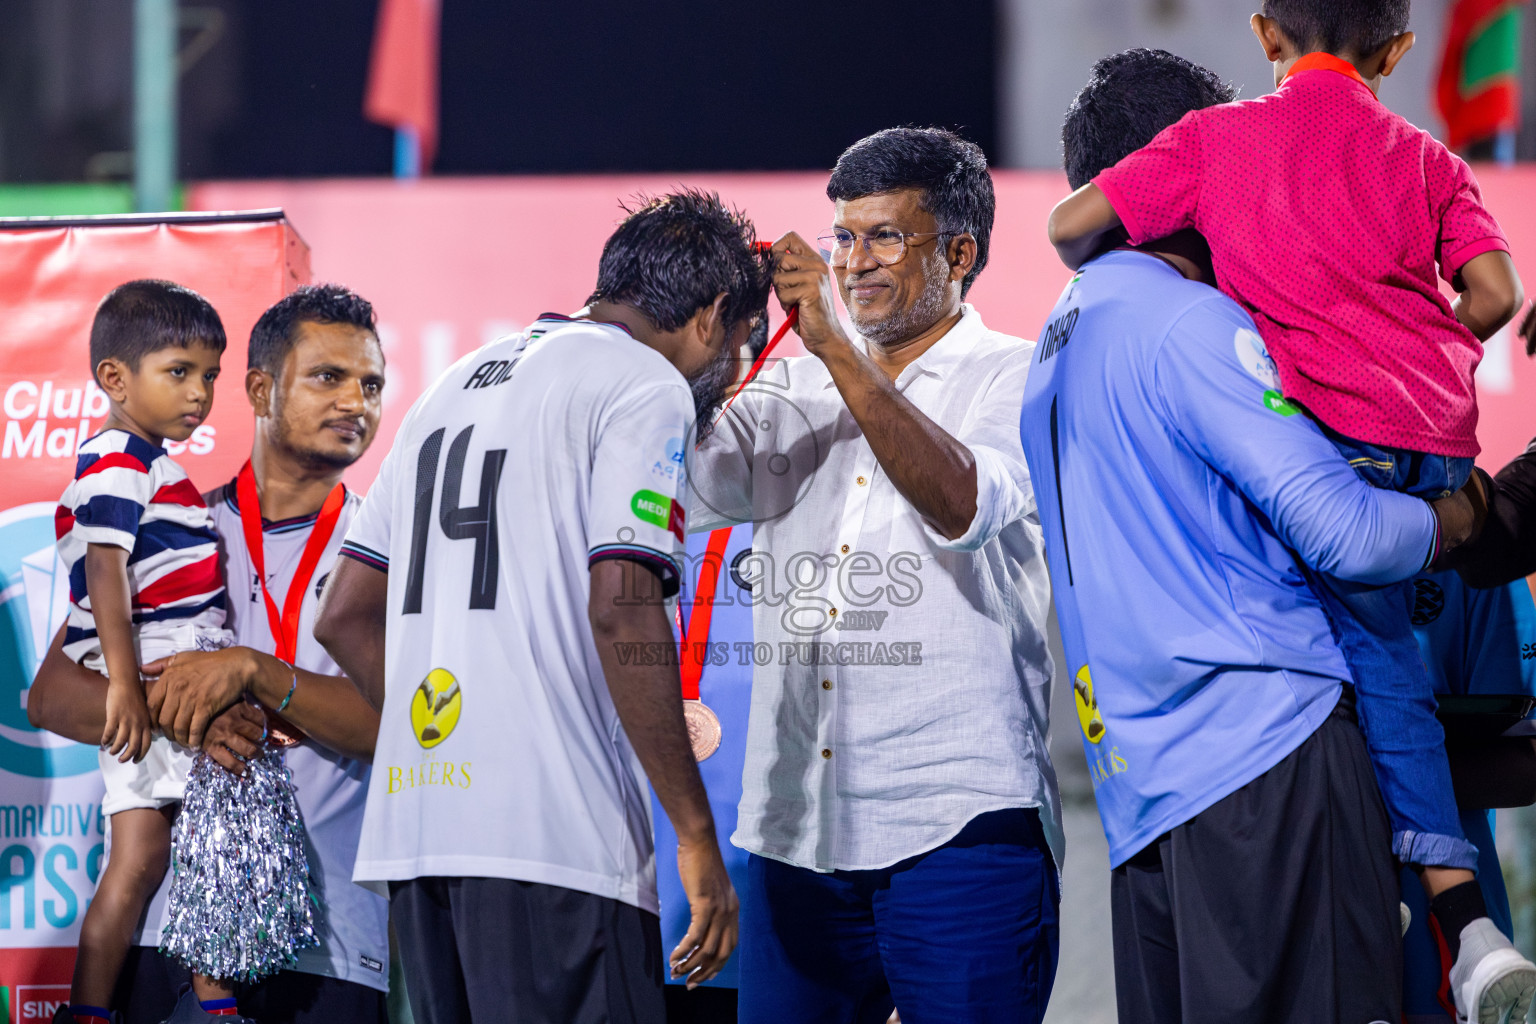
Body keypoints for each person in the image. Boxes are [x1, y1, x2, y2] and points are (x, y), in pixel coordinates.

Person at [1046, 3, 1531, 1015]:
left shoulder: (1207, 163)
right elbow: (1493, 293)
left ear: (1265, 35)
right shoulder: (1430, 159)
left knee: (1380, 679)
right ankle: (1457, 917)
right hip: (1431, 449)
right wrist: (1404, 336)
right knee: (1396, 672)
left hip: (1181, 755)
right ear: (1399, 51)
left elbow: (1070, 226)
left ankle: (1446, 912)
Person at [313, 190, 761, 1024]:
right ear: (710, 318)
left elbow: (342, 614)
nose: (727, 373)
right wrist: (694, 833)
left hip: (421, 840)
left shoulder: (449, 385)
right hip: (557, 844)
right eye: (736, 347)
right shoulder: (645, 384)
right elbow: (624, 608)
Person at [687, 127, 1061, 1023]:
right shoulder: (790, 390)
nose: (854, 264)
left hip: (959, 826)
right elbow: (683, 486)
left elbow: (961, 505)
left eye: (886, 237)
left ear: (961, 253)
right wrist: (708, 335)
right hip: (792, 833)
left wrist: (836, 354)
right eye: (843, 238)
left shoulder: (1021, 374)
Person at [30, 284, 392, 1024]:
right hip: (166, 935)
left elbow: (400, 732)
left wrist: (257, 677)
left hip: (333, 947)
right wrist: (183, 714)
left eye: (372, 384)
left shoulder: (394, 552)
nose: (355, 400)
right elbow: (51, 697)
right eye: (329, 377)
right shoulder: (177, 526)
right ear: (259, 389)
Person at [51, 280, 237, 1024]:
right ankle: (213, 1003)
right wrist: (125, 687)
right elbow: (105, 568)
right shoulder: (122, 457)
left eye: (211, 376)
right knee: (206, 840)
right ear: (114, 379)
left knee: (138, 861)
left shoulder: (141, 460)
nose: (199, 394)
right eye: (180, 371)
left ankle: (92, 1011)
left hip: (154, 664)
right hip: (163, 664)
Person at [1405, 567, 1536, 1023]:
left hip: (1448, 932)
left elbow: (1524, 762)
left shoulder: (1471, 557)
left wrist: (1387, 769)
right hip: (1307, 897)